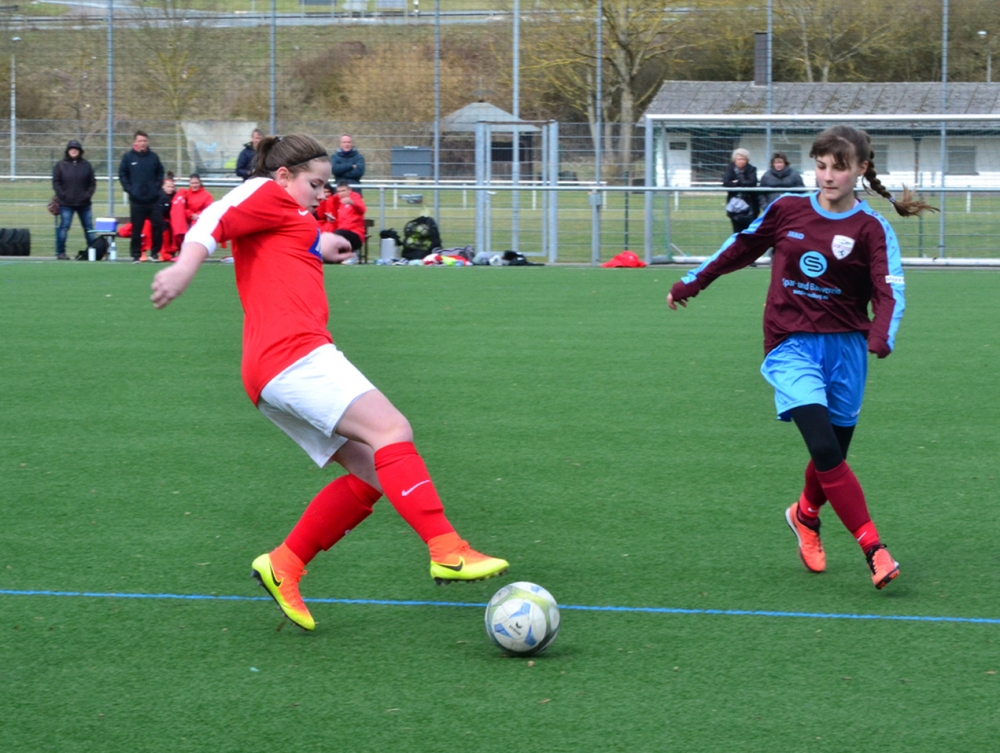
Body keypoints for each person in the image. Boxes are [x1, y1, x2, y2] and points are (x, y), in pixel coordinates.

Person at [150, 134, 508, 632]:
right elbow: (214, 219)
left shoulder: (291, 213)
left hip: (274, 368)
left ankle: (284, 564)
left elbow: (286, 240)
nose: (322, 195)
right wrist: (183, 268)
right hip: (292, 355)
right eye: (315, 184)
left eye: (326, 186)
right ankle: (447, 549)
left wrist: (324, 245)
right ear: (283, 176)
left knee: (373, 473)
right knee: (391, 430)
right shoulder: (264, 190)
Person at [666, 124, 936, 591]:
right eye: (821, 166)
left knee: (833, 454)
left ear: (861, 169)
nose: (827, 176)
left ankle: (805, 515)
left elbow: (889, 289)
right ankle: (874, 549)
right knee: (825, 448)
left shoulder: (872, 228)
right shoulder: (787, 210)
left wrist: (882, 334)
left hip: (846, 350)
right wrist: (692, 281)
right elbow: (740, 247)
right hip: (790, 344)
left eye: (839, 168)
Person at [118, 130, 165, 262]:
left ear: (147, 142)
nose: (142, 143)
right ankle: (136, 255)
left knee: (157, 225)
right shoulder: (128, 157)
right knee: (137, 228)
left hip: (153, 199)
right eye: (140, 141)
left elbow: (160, 172)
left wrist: (156, 187)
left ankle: (154, 253)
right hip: (137, 200)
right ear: (135, 142)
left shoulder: (153, 157)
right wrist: (130, 189)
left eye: (144, 140)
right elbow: (122, 174)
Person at [52, 139, 96, 260]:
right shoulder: (61, 165)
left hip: (84, 203)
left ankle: (93, 252)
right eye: (71, 149)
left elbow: (92, 183)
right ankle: (60, 252)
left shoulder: (86, 165)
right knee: (64, 227)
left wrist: (87, 195)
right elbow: (56, 182)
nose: (74, 151)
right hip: (66, 203)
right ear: (67, 151)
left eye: (76, 149)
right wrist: (63, 195)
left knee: (89, 228)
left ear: (80, 151)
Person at [323, 178, 366, 264]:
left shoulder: (354, 197)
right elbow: (330, 203)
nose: (341, 193)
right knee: (329, 235)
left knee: (337, 234)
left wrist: (352, 203)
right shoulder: (337, 201)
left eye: (343, 191)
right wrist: (331, 217)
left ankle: (352, 254)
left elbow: (362, 209)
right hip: (341, 232)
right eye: (339, 191)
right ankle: (340, 256)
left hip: (355, 234)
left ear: (349, 190)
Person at [170, 173, 214, 249]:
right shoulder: (185, 194)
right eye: (192, 183)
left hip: (200, 221)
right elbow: (181, 209)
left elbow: (209, 209)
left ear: (200, 183)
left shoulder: (207, 195)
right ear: (189, 184)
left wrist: (199, 215)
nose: (194, 185)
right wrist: (191, 214)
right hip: (187, 221)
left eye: (196, 183)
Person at [722, 148, 759, 234]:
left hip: (750, 205)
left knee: (750, 232)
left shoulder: (751, 169)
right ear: (735, 160)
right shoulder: (729, 169)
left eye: (743, 159)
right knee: (737, 232)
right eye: (739, 159)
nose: (741, 161)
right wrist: (743, 182)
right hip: (734, 205)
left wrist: (737, 182)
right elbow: (726, 182)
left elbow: (752, 182)